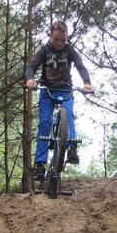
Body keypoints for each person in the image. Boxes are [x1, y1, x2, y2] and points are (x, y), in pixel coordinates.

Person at [25, 21, 93, 181]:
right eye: (56, 39)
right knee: (44, 123)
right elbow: (31, 67)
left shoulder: (69, 50)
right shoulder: (44, 50)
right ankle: (40, 165)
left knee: (68, 116)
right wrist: (30, 80)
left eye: (63, 40)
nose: (59, 43)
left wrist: (87, 82)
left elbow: (80, 66)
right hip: (47, 91)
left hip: (65, 89)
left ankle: (72, 150)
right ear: (51, 36)